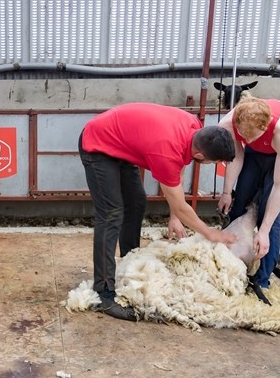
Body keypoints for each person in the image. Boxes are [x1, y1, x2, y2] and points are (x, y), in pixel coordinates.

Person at [79, 102, 237, 320]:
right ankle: (104, 293)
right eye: (214, 161)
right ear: (200, 156)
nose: (213, 163)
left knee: (136, 202)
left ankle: (130, 263)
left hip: (121, 143)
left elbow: (178, 171)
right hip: (98, 143)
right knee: (111, 213)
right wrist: (210, 233)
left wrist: (175, 217)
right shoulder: (166, 151)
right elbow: (181, 204)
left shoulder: (193, 127)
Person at [217, 97, 280, 300]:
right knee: (239, 202)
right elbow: (237, 155)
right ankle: (229, 264)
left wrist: (263, 231)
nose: (246, 139)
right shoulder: (229, 123)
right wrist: (226, 192)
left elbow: (279, 185)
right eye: (243, 135)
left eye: (251, 135)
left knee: (269, 214)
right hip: (256, 152)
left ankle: (262, 279)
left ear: (264, 125)